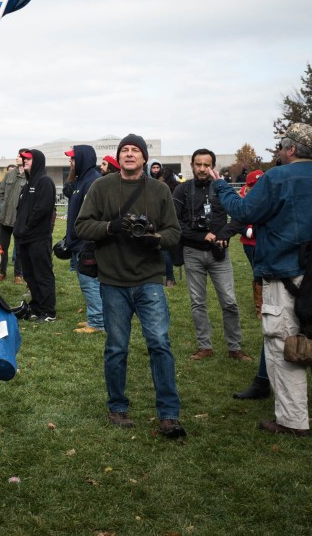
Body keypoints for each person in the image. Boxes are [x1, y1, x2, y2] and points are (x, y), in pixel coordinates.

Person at [75, 133, 186, 439]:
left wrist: (155, 239)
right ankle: (117, 407)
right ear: (119, 157)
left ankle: (168, 414)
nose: (129, 154)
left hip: (149, 280)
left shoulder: (160, 190)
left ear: (144, 157)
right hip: (112, 281)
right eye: (124, 150)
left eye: (135, 150)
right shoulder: (101, 187)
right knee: (116, 347)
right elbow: (82, 226)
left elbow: (174, 232)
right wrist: (111, 226)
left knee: (160, 344)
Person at [212, 124, 312, 436]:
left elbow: (244, 209)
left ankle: (293, 421)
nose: (279, 153)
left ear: (291, 149)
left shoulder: (278, 177)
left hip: (286, 274)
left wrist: (223, 186)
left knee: (285, 345)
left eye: (281, 148)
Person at [173, 149, 251, 362]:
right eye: (198, 164)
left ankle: (235, 347)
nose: (202, 169)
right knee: (198, 302)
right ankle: (204, 346)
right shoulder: (182, 190)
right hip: (192, 252)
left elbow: (241, 213)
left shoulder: (222, 188)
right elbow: (174, 223)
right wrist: (202, 235)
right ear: (192, 165)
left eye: (206, 165)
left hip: (220, 253)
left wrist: (224, 234)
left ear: (213, 166)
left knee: (229, 301)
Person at [233, 169, 272, 400]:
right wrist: (248, 230)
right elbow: (241, 219)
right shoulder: (247, 196)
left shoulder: (270, 193)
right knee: (258, 276)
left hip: (267, 243)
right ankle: (260, 306)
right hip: (251, 241)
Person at [63, 146, 104, 334]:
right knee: (86, 282)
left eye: (73, 159)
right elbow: (67, 191)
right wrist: (72, 171)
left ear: (82, 159)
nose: (70, 163)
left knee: (90, 283)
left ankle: (97, 322)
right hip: (78, 242)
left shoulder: (93, 181)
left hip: (87, 242)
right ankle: (94, 316)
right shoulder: (82, 179)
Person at [13, 149, 57, 321]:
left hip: (38, 238)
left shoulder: (45, 182)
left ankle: (48, 311)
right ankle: (37, 306)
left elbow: (42, 209)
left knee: (42, 274)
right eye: (23, 159)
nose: (25, 161)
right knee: (30, 274)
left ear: (37, 161)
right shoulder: (27, 184)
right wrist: (19, 229)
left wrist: (27, 227)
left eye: (29, 159)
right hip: (24, 239)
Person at [0, 154, 27, 283]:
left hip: (19, 219)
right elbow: (1, 192)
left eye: (20, 156)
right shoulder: (9, 175)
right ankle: (2, 272)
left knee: (19, 249)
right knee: (2, 247)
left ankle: (18, 275)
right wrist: (3, 206)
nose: (17, 157)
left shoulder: (29, 176)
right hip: (5, 218)